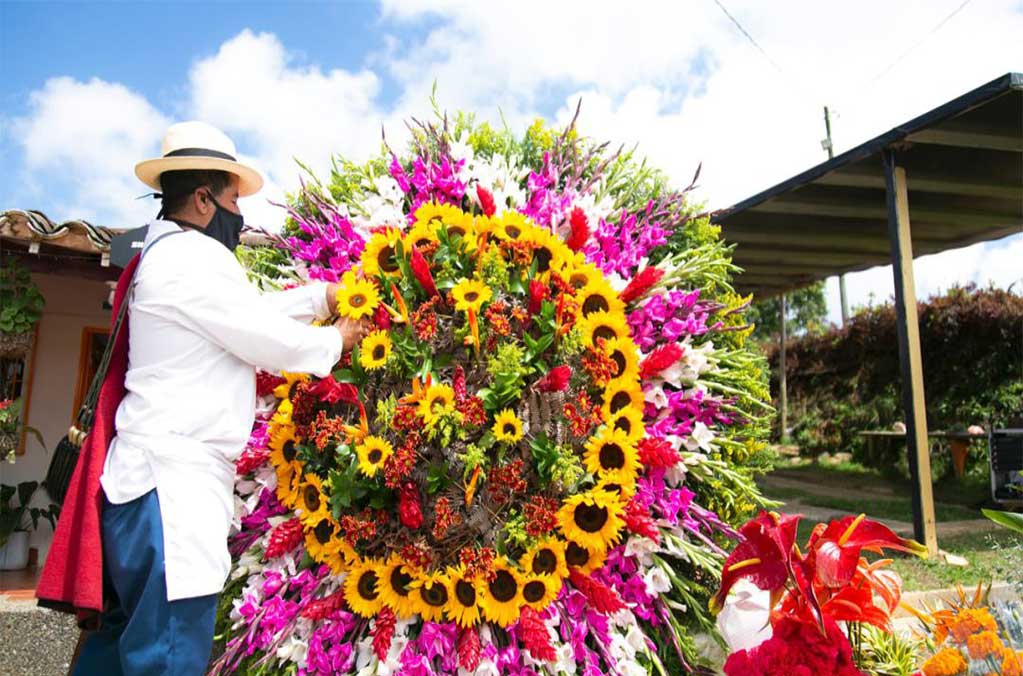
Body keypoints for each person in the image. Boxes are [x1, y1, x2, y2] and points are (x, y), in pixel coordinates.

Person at [51, 121, 366, 675]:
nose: (239, 216)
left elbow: (243, 314)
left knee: (115, 654)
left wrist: (321, 295)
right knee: (167, 658)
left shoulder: (168, 258)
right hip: (172, 495)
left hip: (143, 492)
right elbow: (265, 340)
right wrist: (335, 338)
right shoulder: (194, 258)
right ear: (202, 200)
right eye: (232, 199)